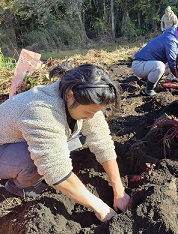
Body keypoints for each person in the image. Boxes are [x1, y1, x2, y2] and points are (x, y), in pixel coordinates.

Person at [0, 63, 130, 222]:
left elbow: (102, 141)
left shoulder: (81, 97)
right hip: (3, 146)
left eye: (95, 112)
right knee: (34, 161)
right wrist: (100, 207)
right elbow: (55, 168)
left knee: (79, 137)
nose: (91, 116)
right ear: (70, 95)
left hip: (17, 140)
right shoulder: (42, 111)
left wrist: (119, 190)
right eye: (89, 112)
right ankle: (19, 188)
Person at [131, 23, 178, 96]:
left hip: (148, 64)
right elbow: (173, 63)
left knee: (173, 63)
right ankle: (149, 89)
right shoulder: (171, 40)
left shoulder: (171, 36)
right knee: (160, 66)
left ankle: (157, 80)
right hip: (139, 65)